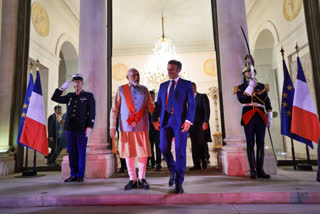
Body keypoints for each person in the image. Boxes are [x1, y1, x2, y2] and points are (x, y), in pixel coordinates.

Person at [153, 60, 195, 194]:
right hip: (166, 121)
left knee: (180, 151)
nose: (169, 71)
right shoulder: (163, 85)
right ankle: (173, 171)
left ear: (178, 70)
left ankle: (179, 182)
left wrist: (188, 120)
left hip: (180, 122)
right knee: (163, 148)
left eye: (172, 69)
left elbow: (191, 104)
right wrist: (155, 119)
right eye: (168, 69)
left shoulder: (187, 84)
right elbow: (158, 103)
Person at [110, 68, 155, 190]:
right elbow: (114, 110)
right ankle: (132, 179)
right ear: (127, 77)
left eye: (138, 75)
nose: (136, 77)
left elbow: (151, 107)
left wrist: (158, 120)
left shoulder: (144, 90)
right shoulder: (121, 90)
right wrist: (112, 126)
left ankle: (142, 178)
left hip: (142, 126)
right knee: (128, 153)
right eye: (133, 75)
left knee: (143, 153)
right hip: (126, 127)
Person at [233, 56, 272, 179]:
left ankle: (260, 169)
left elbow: (268, 103)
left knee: (261, 143)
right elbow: (242, 99)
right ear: (244, 73)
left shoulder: (262, 86)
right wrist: (250, 87)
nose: (251, 72)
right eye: (248, 71)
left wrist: (269, 117)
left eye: (252, 71)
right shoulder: (240, 87)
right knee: (250, 143)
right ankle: (253, 170)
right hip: (248, 116)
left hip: (260, 116)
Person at [51, 74, 96, 183]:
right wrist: (62, 88)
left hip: (81, 128)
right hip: (70, 128)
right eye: (75, 82)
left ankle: (80, 175)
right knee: (72, 152)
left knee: (81, 152)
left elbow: (92, 112)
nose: (77, 84)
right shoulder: (70, 96)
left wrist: (90, 126)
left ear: (83, 83)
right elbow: (54, 98)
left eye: (79, 82)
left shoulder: (88, 96)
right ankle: (73, 174)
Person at [189, 82, 212, 171]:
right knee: (194, 144)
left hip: (201, 124)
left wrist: (206, 121)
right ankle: (196, 164)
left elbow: (207, 110)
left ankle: (204, 160)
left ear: (195, 87)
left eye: (193, 87)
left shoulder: (202, 97)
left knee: (202, 143)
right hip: (191, 125)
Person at [147, 91, 162, 170]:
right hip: (148, 129)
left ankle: (158, 163)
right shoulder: (146, 106)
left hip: (157, 129)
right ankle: (152, 162)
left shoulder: (158, 105)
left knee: (158, 146)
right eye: (150, 96)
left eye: (153, 96)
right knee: (150, 147)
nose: (152, 98)